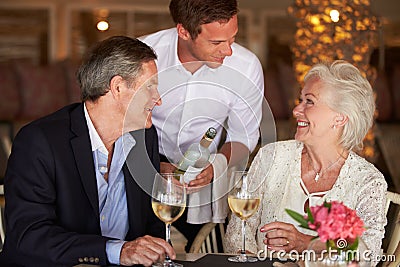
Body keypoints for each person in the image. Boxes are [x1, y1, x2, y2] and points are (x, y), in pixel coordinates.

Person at [0, 36, 176, 266]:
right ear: (118, 87)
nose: (158, 100)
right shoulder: (39, 142)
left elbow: (151, 223)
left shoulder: (145, 138)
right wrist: (117, 251)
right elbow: (29, 236)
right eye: (150, 87)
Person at [225, 60, 387, 266]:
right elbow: (239, 231)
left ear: (340, 118)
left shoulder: (368, 181)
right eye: (300, 100)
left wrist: (307, 243)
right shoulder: (272, 157)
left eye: (309, 102)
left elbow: (367, 257)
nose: (296, 110)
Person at [140, 0, 264, 251]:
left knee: (204, 251)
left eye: (232, 39)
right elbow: (119, 124)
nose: (228, 51)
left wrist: (215, 166)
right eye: (217, 42)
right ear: (184, 31)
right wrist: (156, 165)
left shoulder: (247, 66)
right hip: (143, 168)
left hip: (203, 176)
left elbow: (245, 136)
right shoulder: (143, 53)